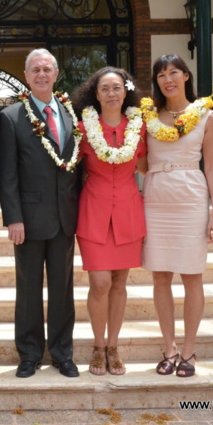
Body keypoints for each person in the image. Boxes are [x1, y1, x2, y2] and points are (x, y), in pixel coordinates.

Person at [0, 48, 81, 379]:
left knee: (63, 289)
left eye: (47, 69)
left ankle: (62, 353)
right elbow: (6, 174)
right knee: (29, 289)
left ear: (56, 74)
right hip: (28, 219)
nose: (42, 74)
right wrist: (13, 217)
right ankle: (29, 354)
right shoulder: (12, 117)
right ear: (27, 75)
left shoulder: (71, 113)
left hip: (65, 217)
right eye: (35, 70)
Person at [140, 54, 213, 377]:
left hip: (191, 194)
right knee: (160, 274)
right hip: (157, 194)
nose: (167, 79)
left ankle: (189, 349)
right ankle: (169, 347)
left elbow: (212, 166)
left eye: (174, 72)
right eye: (161, 74)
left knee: (191, 275)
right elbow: (141, 162)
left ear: (186, 76)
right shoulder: (148, 116)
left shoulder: (206, 116)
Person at [71, 66, 146, 376]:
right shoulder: (83, 127)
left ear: (126, 91)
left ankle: (112, 347)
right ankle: (97, 345)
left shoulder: (141, 127)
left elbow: (146, 165)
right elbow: (70, 167)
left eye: (117, 88)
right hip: (94, 209)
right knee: (100, 282)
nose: (111, 93)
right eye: (105, 88)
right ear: (96, 93)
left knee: (119, 283)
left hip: (128, 208)